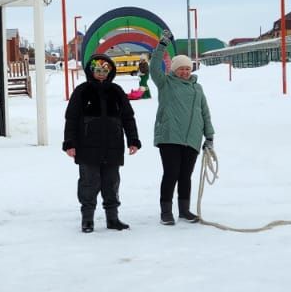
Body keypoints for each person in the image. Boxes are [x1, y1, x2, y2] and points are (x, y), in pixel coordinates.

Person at [62, 53, 141, 232]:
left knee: (111, 183)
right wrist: (69, 142)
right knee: (89, 183)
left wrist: (133, 140)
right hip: (87, 148)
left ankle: (112, 218)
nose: (101, 74)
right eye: (97, 70)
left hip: (113, 147)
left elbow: (128, 117)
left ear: (110, 72)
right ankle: (87, 219)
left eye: (105, 71)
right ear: (91, 71)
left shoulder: (117, 91)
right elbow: (71, 118)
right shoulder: (82, 91)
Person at [148, 31, 213, 225]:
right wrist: (162, 45)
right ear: (174, 70)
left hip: (192, 137)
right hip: (170, 136)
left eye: (187, 68)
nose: (185, 72)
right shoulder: (165, 83)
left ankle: (184, 210)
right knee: (171, 174)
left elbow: (205, 112)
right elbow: (153, 68)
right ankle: (166, 211)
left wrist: (209, 136)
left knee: (186, 176)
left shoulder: (197, 88)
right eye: (181, 69)